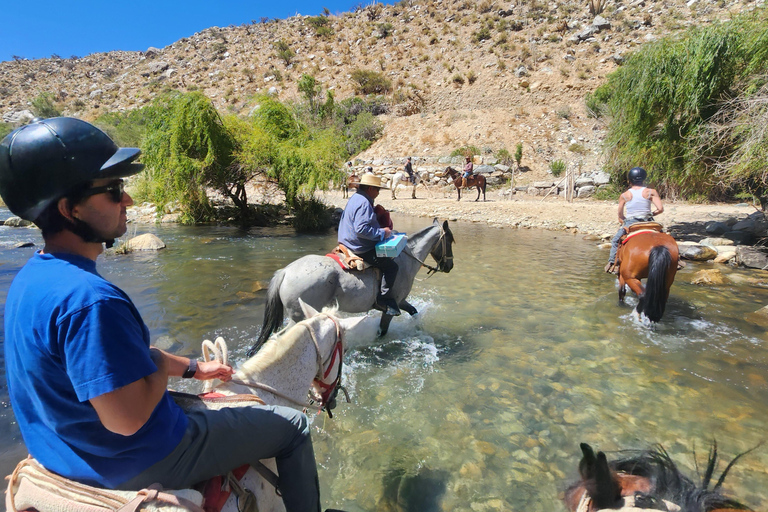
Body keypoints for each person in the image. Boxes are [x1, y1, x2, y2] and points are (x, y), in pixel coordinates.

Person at [0, 117, 332, 512]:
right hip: (135, 460)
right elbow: (128, 421)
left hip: (64, 451)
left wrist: (192, 368)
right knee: (294, 427)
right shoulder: (92, 301)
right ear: (70, 209)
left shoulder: (30, 279)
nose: (129, 202)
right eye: (114, 191)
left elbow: (120, 367)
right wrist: (159, 367)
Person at [337, 173, 401, 317]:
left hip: (346, 240)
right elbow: (361, 229)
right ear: (371, 188)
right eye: (377, 190)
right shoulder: (364, 202)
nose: (378, 193)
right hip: (359, 246)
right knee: (391, 267)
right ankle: (382, 299)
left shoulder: (356, 198)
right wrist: (382, 232)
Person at [605, 166, 664, 274]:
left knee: (615, 241)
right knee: (665, 238)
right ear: (644, 179)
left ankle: (613, 263)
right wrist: (652, 213)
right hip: (648, 221)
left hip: (632, 222)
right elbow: (660, 209)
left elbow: (620, 213)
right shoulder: (651, 192)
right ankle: (677, 260)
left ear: (629, 180)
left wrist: (622, 219)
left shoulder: (625, 195)